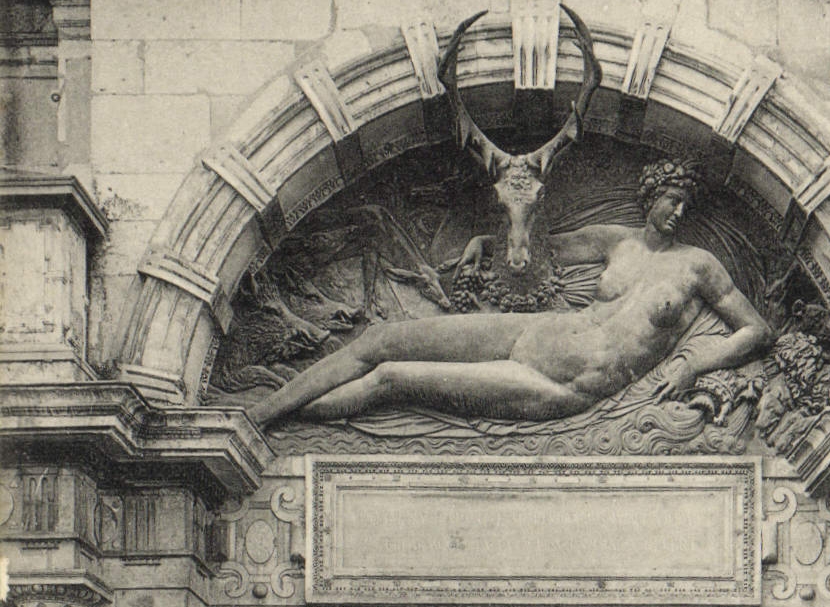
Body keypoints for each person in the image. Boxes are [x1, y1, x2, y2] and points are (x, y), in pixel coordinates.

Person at [249, 160, 773, 429]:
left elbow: (756, 329)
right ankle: (260, 414)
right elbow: (532, 248)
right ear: (650, 199)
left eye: (685, 204)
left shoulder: (698, 266)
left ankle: (284, 420)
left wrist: (694, 366)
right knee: (381, 338)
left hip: (567, 380)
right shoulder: (616, 241)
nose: (677, 212)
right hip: (542, 330)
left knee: (391, 378)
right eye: (670, 200)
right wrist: (481, 241)